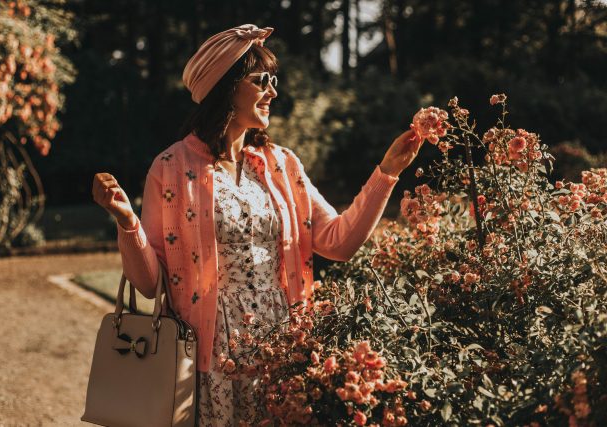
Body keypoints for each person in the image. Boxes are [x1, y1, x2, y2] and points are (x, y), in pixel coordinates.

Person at [92, 23, 423, 426]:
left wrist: (386, 173)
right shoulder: (171, 168)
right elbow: (148, 283)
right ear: (226, 85)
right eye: (261, 80)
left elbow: (338, 242)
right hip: (210, 357)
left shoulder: (282, 165)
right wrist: (128, 223)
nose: (273, 91)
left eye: (274, 80)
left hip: (282, 349)